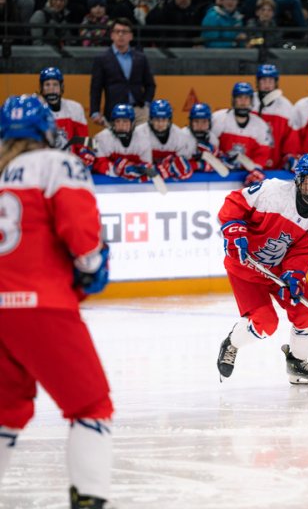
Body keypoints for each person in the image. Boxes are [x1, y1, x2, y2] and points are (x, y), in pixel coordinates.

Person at [0, 94, 113, 508]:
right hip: (40, 305)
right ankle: (90, 500)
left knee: (5, 416)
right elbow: (82, 238)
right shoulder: (56, 163)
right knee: (91, 406)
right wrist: (92, 262)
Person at [216, 153, 308, 385]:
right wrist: (234, 228)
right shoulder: (272, 192)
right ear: (299, 180)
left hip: (278, 271)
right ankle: (232, 343)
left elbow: (304, 254)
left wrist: (294, 273)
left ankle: (297, 364)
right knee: (265, 323)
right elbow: (235, 202)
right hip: (245, 266)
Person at [90, 18, 157, 128]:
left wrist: (146, 104)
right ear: (112, 35)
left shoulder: (140, 58)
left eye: (124, 32)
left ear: (131, 36)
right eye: (117, 32)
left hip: (138, 112)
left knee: (143, 143)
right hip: (114, 111)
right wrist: (95, 112)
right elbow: (96, 88)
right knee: (115, 144)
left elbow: (150, 84)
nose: (120, 35)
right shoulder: (101, 59)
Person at [213, 82, 271, 184]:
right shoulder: (218, 119)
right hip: (219, 177)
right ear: (233, 100)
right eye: (239, 98)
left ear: (251, 101)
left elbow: (262, 153)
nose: (243, 102)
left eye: (246, 98)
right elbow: (210, 146)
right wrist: (218, 159)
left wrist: (255, 171)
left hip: (245, 176)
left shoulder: (260, 125)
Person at [38, 67, 90, 162]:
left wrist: (85, 154)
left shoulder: (75, 108)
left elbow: (82, 142)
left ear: (61, 87)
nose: (51, 89)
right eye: (47, 85)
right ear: (41, 88)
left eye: (55, 84)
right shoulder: (36, 111)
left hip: (69, 166)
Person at [134, 98, 193, 181]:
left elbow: (182, 164)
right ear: (150, 119)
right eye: (157, 120)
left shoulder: (180, 136)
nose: (160, 124)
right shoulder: (138, 134)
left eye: (164, 120)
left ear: (169, 120)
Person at [252, 64, 298, 170]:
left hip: (276, 169)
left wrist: (289, 157)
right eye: (263, 81)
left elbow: (291, 138)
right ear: (257, 83)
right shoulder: (249, 102)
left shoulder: (286, 107)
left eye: (270, 81)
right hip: (251, 168)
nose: (267, 85)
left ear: (276, 83)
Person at [93, 103, 155, 181]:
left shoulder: (143, 139)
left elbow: (148, 167)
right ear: (113, 123)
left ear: (132, 123)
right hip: (109, 181)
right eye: (118, 121)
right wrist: (118, 169)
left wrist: (140, 170)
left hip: (135, 183)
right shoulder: (101, 137)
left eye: (125, 121)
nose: (121, 125)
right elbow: (98, 164)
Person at [182, 102, 221, 173]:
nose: (200, 126)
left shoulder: (213, 139)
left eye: (204, 122)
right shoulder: (182, 136)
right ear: (190, 122)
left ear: (209, 122)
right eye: (196, 121)